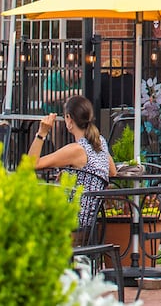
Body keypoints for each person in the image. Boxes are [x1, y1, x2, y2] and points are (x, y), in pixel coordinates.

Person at [29, 95, 112, 232]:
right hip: (89, 222)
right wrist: (73, 173)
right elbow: (112, 171)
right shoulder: (100, 141)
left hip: (70, 221)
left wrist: (41, 133)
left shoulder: (76, 150)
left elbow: (31, 164)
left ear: (69, 119)